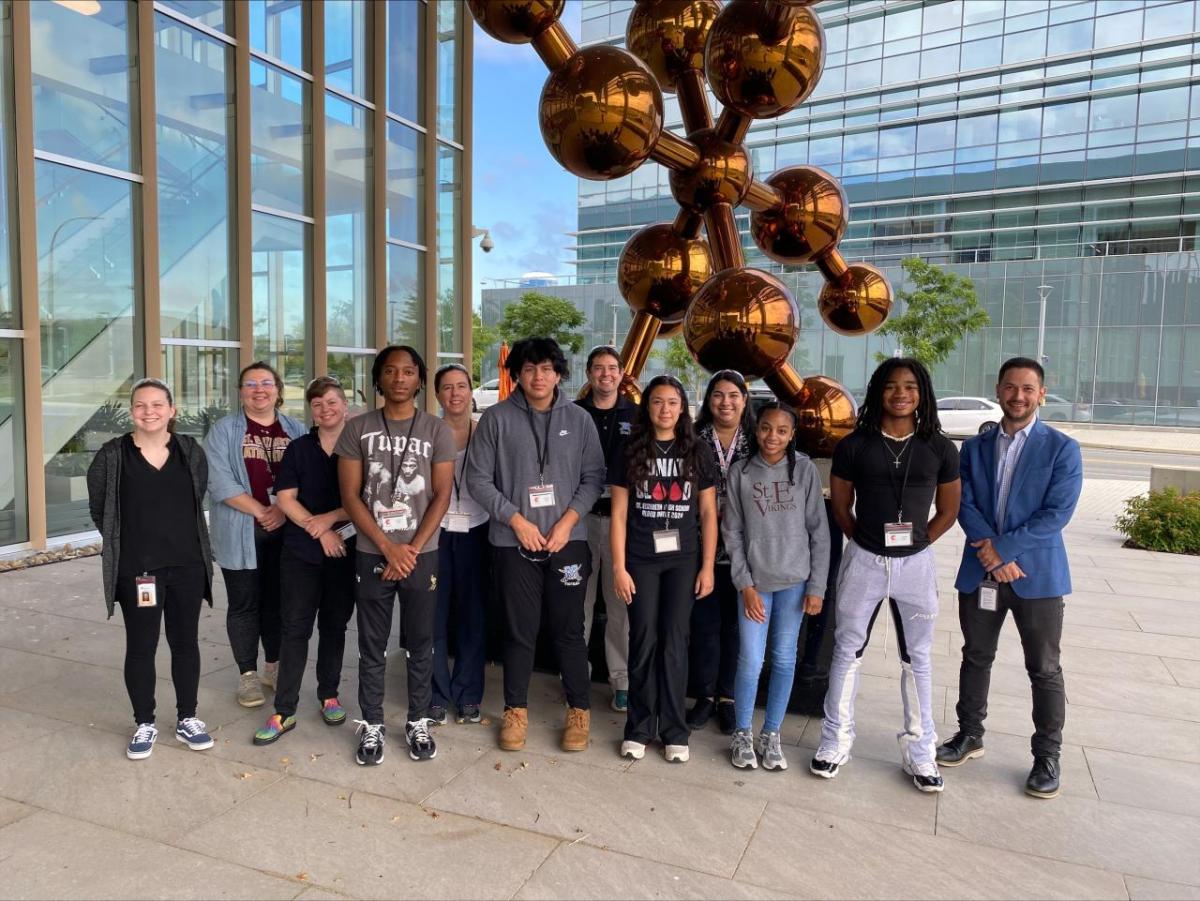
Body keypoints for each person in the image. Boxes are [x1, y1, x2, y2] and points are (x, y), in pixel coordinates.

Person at [809, 358, 960, 793]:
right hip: (864, 561)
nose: (900, 394)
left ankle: (920, 751)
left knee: (919, 658)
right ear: (878, 392)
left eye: (910, 387)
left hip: (916, 565)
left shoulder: (939, 447)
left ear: (922, 393)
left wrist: (916, 545)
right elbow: (840, 507)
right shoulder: (855, 445)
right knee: (847, 651)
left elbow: (948, 511)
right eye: (892, 386)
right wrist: (867, 542)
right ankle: (834, 741)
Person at [938, 357, 1083, 800]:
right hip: (982, 570)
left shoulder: (1062, 448)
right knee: (976, 655)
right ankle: (969, 734)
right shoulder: (975, 448)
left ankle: (1047, 756)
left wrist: (1006, 549)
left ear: (1041, 393)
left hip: (1036, 576)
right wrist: (990, 550)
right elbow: (963, 502)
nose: (1018, 396)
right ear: (998, 390)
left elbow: (1056, 513)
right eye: (1010, 388)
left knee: (1044, 668)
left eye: (1027, 388)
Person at [466, 336, 606, 753]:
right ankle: (515, 710)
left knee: (568, 631)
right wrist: (515, 519)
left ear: (559, 372)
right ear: (517, 375)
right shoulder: (496, 419)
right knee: (519, 630)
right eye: (529, 369)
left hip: (568, 541)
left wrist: (567, 521)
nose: (538, 376)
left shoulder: (579, 420)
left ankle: (579, 710)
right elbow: (477, 478)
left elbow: (593, 477)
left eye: (546, 368)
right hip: (513, 543)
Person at [337, 346, 455, 765]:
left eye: (408, 372)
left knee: (421, 642)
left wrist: (412, 549)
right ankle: (372, 723)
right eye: (391, 371)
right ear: (379, 379)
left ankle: (418, 718)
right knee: (371, 645)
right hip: (373, 550)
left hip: (422, 553)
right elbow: (350, 496)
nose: (400, 378)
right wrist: (388, 547)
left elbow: (442, 495)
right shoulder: (357, 428)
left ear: (420, 380)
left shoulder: (437, 430)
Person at [86, 379, 216, 759]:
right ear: (132, 412)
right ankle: (145, 722)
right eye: (141, 406)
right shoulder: (112, 456)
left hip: (187, 566)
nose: (150, 411)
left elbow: (197, 495)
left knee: (185, 642)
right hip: (138, 571)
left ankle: (187, 718)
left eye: (158, 405)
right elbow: (102, 510)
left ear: (171, 410)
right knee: (142, 646)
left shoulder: (190, 451)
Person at [611, 376, 717, 763]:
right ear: (648, 407)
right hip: (641, 558)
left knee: (675, 642)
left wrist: (707, 566)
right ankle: (639, 728)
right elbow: (619, 514)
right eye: (658, 402)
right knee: (642, 641)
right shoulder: (629, 450)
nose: (665, 409)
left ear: (682, 408)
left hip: (683, 560)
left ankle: (674, 730)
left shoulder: (698, 450)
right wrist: (619, 568)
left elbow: (707, 513)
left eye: (673, 402)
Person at [723, 403, 829, 771]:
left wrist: (816, 586)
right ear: (756, 430)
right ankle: (741, 732)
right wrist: (745, 585)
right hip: (755, 585)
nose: (773, 437)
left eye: (782, 431)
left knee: (785, 659)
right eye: (766, 428)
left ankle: (771, 733)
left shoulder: (805, 470)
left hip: (795, 583)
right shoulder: (741, 472)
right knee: (751, 661)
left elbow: (819, 532)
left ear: (792, 434)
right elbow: (732, 533)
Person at [253, 376, 356, 745]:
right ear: (310, 411)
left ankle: (329, 693)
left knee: (334, 626)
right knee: (295, 629)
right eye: (317, 404)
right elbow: (285, 497)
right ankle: (284, 710)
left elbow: (365, 501)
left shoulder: (358, 448)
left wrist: (330, 521)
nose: (325, 409)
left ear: (344, 405)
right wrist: (321, 530)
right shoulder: (299, 449)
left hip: (345, 552)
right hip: (301, 551)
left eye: (331, 402)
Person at [205, 361, 306, 707]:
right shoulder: (223, 430)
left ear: (278, 389)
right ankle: (247, 675)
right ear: (240, 391)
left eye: (266, 383)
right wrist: (263, 511)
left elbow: (308, 477)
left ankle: (273, 667)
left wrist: (282, 510)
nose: (258, 389)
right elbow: (219, 481)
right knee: (245, 604)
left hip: (288, 532)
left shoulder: (296, 429)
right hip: (240, 531)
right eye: (250, 384)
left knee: (280, 603)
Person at [687, 369, 756, 734]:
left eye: (733, 395)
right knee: (704, 625)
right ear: (708, 400)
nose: (725, 402)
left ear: (745, 400)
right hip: (701, 548)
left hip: (748, 549)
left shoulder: (759, 441)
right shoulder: (693, 438)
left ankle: (728, 697)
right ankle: (703, 696)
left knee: (737, 627)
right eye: (718, 395)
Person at [575, 345, 638, 713]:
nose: (605, 374)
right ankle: (576, 676)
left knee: (620, 606)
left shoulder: (637, 414)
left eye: (612, 368)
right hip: (581, 519)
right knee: (577, 603)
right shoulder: (573, 413)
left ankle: (622, 681)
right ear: (588, 374)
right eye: (598, 368)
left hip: (621, 522)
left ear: (621, 373)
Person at [429, 363, 490, 726]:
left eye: (461, 386)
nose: (455, 394)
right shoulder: (427, 434)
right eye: (447, 387)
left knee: (474, 617)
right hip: (434, 535)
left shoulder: (486, 433)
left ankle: (469, 694)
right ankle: (435, 694)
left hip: (477, 532)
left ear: (471, 391)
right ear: (437, 394)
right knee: (432, 618)